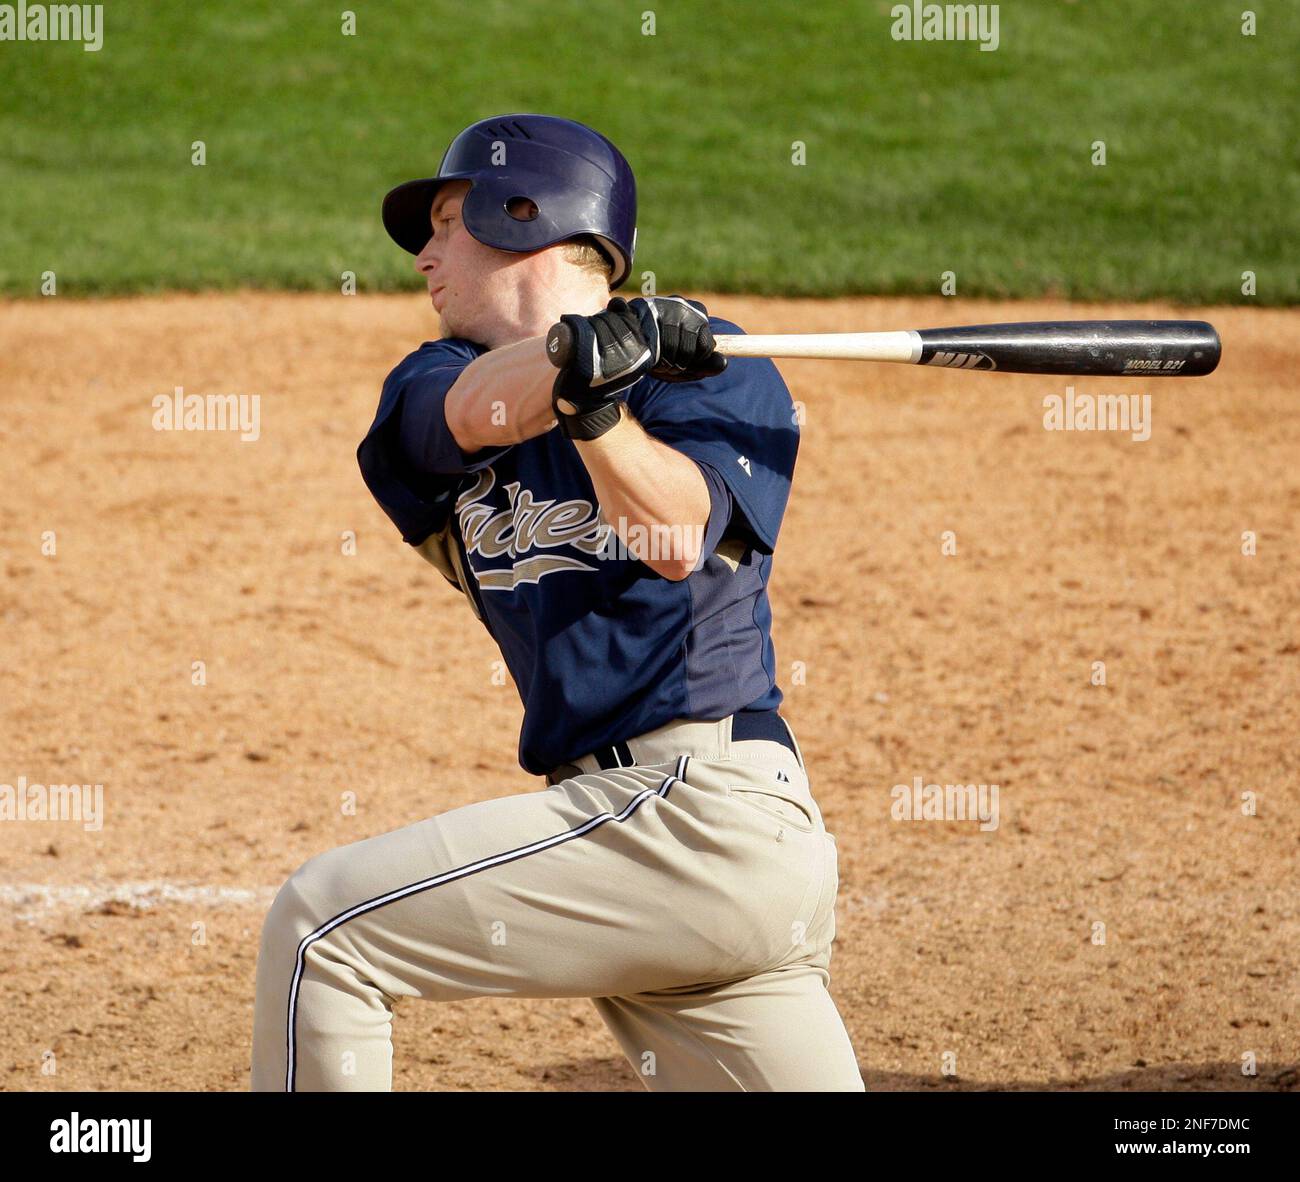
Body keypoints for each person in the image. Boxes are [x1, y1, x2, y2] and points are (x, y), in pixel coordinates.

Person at [250, 113, 863, 1091]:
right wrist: (579, 364)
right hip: (641, 860)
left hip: (704, 817)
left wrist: (601, 410)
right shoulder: (428, 381)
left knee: (320, 929)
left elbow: (672, 540)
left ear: (524, 214)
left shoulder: (714, 368)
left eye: (446, 223)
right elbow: (471, 413)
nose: (423, 257)